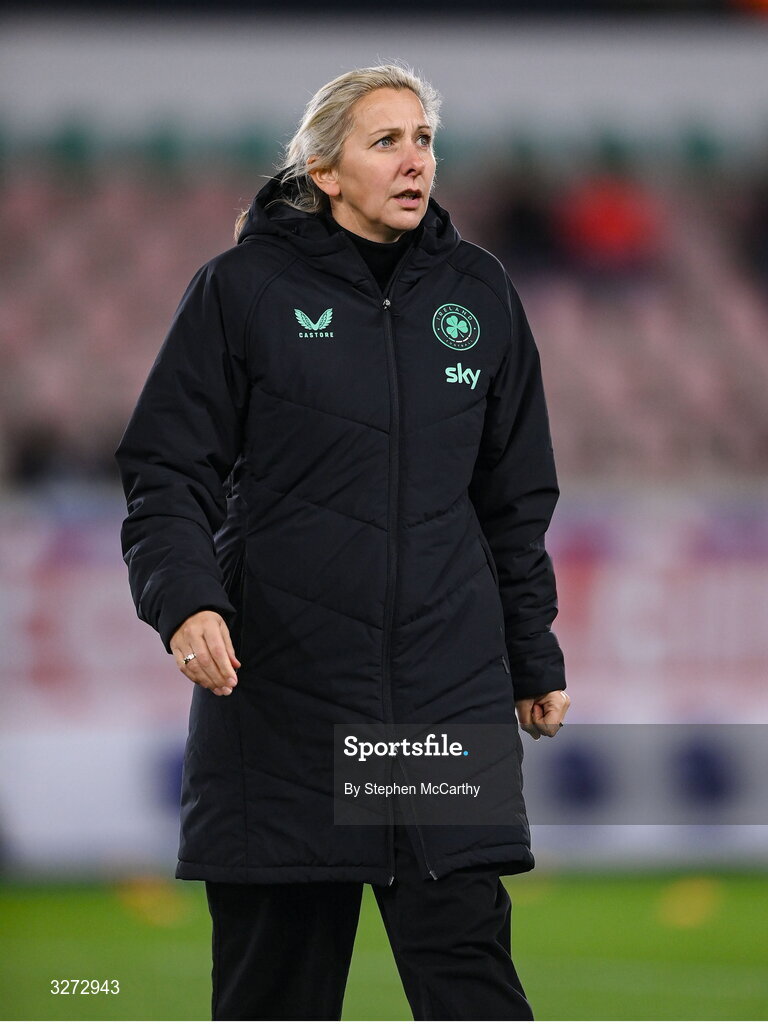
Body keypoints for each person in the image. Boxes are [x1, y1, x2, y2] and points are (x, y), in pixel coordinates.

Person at [115, 63, 570, 1022]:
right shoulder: (240, 290)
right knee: (272, 999)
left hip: (444, 697)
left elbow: (514, 500)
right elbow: (166, 470)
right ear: (324, 170)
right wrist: (186, 600)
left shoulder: (479, 292)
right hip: (284, 699)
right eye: (386, 142)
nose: (417, 162)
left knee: (474, 990)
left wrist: (533, 652)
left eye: (424, 139)